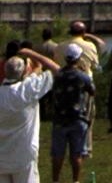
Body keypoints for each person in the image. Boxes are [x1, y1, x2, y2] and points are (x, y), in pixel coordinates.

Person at [1, 45, 65, 183]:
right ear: (25, 71)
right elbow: (58, 71)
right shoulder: (28, 89)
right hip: (24, 155)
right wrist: (33, 54)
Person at [47, 44, 95, 183]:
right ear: (78, 58)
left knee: (57, 154)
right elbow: (92, 91)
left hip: (59, 118)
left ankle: (55, 180)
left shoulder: (58, 75)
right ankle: (75, 180)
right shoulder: (82, 76)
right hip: (77, 118)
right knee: (77, 154)